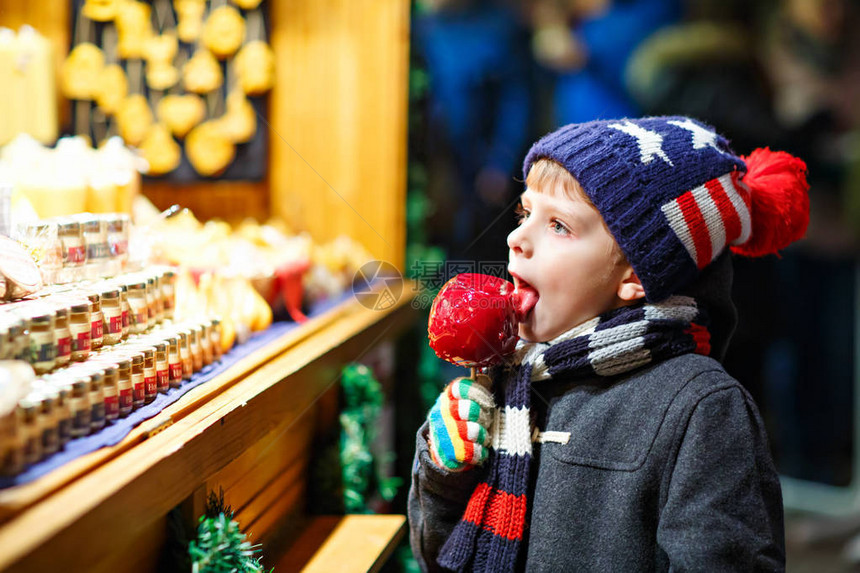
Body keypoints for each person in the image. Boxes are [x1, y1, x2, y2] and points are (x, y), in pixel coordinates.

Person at [408, 116, 809, 571]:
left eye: (558, 225)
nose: (516, 238)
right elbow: (435, 559)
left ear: (636, 274)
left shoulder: (703, 409)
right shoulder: (507, 380)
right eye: (525, 213)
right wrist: (445, 475)